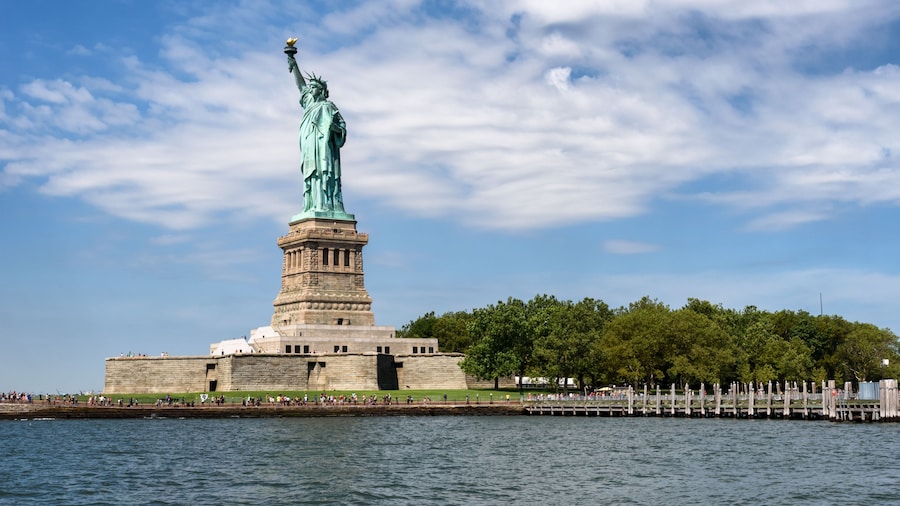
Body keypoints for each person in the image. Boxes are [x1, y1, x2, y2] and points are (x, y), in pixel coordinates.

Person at [287, 51, 347, 214]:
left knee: (323, 172)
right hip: (309, 143)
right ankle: (312, 204)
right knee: (312, 173)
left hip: (324, 147)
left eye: (313, 87)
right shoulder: (309, 103)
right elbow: (301, 86)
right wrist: (294, 64)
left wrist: (335, 129)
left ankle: (327, 204)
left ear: (321, 90)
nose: (310, 89)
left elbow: (342, 127)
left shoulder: (329, 107)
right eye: (311, 87)